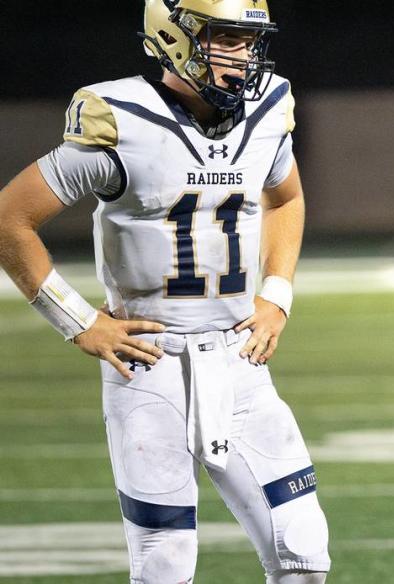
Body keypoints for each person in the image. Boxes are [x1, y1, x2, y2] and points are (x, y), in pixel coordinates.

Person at [0, 1, 331, 582]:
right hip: (149, 365)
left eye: (248, 39)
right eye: (225, 37)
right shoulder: (121, 118)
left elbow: (288, 199)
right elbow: (9, 219)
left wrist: (276, 294)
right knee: (165, 564)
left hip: (239, 360)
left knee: (303, 550)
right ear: (175, 36)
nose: (243, 54)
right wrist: (78, 321)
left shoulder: (269, 106)